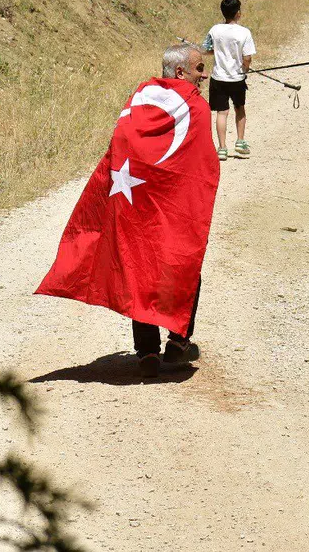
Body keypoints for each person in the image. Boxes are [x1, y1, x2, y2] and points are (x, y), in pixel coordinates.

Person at [36, 43, 218, 377]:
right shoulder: (195, 109)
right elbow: (200, 167)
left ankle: (147, 352)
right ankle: (177, 342)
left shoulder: (140, 98)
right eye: (199, 69)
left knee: (140, 267)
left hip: (131, 201)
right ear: (181, 73)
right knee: (183, 265)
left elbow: (120, 143)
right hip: (169, 207)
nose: (204, 76)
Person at [202, 0, 256, 161]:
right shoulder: (244, 32)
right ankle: (240, 141)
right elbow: (247, 57)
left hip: (218, 78)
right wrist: (245, 68)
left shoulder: (215, 30)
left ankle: (222, 148)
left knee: (222, 112)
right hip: (237, 78)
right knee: (240, 109)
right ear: (238, 13)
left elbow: (207, 49)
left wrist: (218, 51)